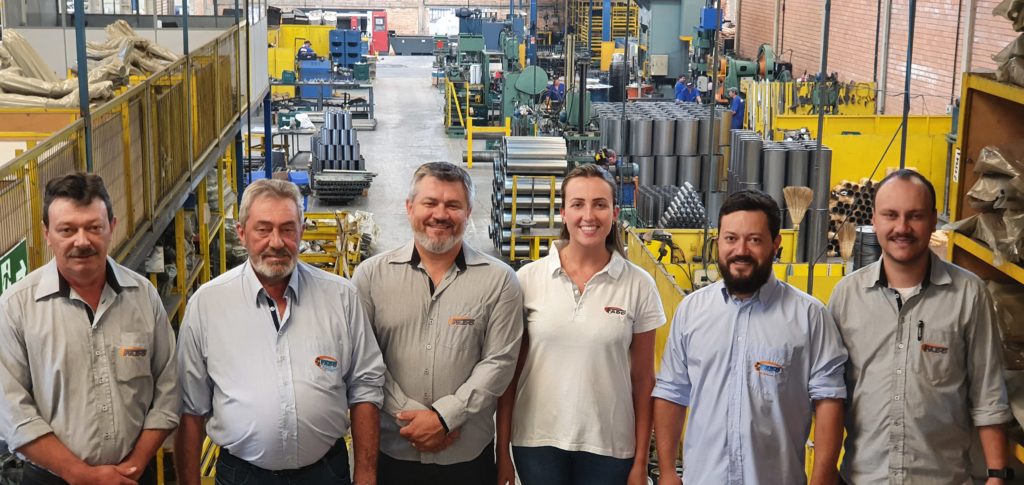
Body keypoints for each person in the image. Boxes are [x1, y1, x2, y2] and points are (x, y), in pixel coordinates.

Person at [175, 179, 386, 485]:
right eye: (263, 229)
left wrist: (366, 474)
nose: (276, 242)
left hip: (325, 473)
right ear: (242, 233)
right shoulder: (207, 305)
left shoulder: (341, 297)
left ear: (301, 231)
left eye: (287, 229)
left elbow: (365, 388)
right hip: (243, 476)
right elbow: (190, 409)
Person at [828, 169, 1013, 484]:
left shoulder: (968, 294)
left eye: (914, 216)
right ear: (874, 219)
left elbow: (988, 392)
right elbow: (830, 394)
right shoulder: (847, 296)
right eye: (891, 215)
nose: (902, 227)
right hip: (863, 478)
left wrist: (996, 475)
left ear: (933, 220)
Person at [652, 190, 848, 485]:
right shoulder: (692, 311)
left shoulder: (810, 318)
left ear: (776, 244)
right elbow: (671, 392)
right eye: (731, 239)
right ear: (719, 242)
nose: (740, 250)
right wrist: (667, 471)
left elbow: (829, 401)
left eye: (754, 240)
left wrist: (821, 480)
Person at [0, 173, 179, 485]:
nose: (81, 241)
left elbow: (168, 387)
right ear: (47, 233)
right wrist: (81, 474)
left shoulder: (143, 296)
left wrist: (136, 464)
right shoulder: (15, 308)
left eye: (93, 228)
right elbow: (13, 413)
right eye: (67, 230)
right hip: (52, 480)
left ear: (112, 226)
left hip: (133, 476)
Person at [352, 161, 523, 485]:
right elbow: (364, 362)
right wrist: (412, 418)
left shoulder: (500, 281)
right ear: (409, 207)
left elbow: (499, 364)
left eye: (453, 205)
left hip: (467, 456)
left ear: (469, 211)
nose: (440, 214)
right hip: (393, 451)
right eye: (430, 203)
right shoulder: (371, 276)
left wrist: (445, 417)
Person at [496, 164, 665, 485]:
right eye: (578, 204)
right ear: (563, 213)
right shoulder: (527, 280)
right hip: (537, 442)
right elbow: (509, 375)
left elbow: (644, 380)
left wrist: (641, 461)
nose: (589, 215)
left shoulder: (638, 285)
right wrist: (501, 452)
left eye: (600, 204)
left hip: (610, 446)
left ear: (615, 212)